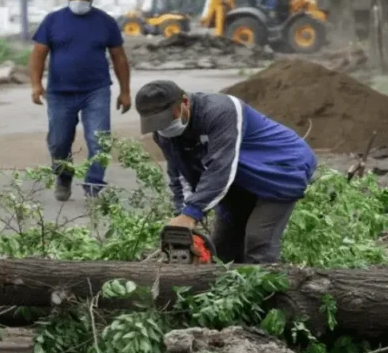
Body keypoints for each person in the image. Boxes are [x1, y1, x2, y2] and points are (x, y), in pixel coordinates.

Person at [135, 80, 317, 264]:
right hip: (239, 179)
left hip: (281, 170)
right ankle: (231, 291)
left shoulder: (221, 111)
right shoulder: (164, 134)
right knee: (222, 248)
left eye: (167, 118)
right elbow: (179, 174)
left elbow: (220, 167)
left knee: (258, 243)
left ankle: (270, 290)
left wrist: (191, 213)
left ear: (184, 102)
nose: (163, 126)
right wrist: (181, 220)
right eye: (157, 123)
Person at [29, 0, 132, 201]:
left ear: (92, 0)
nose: (79, 2)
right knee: (58, 141)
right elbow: (38, 54)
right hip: (59, 92)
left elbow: (119, 58)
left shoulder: (105, 22)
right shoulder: (53, 21)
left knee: (99, 139)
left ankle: (93, 184)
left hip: (96, 91)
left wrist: (125, 91)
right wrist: (36, 85)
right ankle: (63, 177)